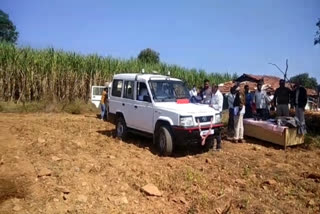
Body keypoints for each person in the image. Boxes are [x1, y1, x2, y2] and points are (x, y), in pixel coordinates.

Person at [210, 84, 224, 151]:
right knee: (212, 129)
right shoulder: (213, 94)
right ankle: (212, 144)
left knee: (217, 130)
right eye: (212, 88)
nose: (212, 89)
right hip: (213, 113)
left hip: (218, 114)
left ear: (216, 88)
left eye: (213, 88)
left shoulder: (219, 95)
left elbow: (219, 106)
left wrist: (212, 106)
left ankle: (218, 146)